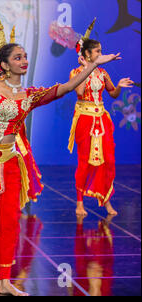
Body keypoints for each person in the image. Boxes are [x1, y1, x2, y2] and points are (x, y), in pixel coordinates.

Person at [0, 13, 121, 296]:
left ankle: (4, 279)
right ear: (3, 64)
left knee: (10, 219)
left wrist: (93, 65)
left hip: (11, 161)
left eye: (25, 56)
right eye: (17, 58)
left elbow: (64, 89)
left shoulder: (29, 95)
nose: (24, 61)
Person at [69, 19, 133, 216]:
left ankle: (106, 202)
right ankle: (79, 203)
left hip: (102, 121)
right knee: (84, 161)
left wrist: (120, 86)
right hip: (85, 120)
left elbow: (112, 94)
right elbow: (79, 92)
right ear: (87, 54)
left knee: (108, 162)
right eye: (97, 51)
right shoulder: (76, 73)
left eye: (100, 51)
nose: (100, 54)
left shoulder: (103, 73)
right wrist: (85, 71)